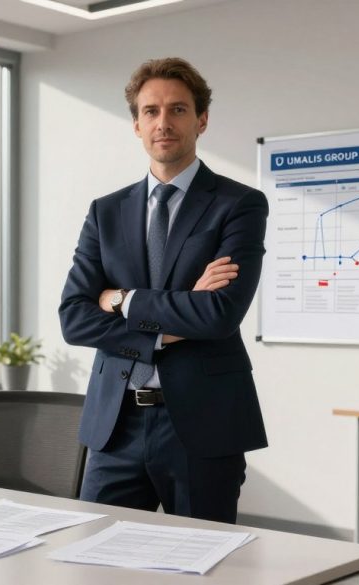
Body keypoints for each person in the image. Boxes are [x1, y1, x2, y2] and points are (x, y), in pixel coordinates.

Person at [58, 57, 268, 523]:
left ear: (202, 120)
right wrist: (164, 330)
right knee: (95, 562)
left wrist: (121, 300)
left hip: (202, 424)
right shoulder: (105, 212)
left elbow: (218, 314)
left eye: (177, 110)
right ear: (136, 125)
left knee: (203, 563)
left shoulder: (239, 205)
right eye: (151, 111)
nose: (163, 122)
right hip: (116, 425)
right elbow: (73, 317)